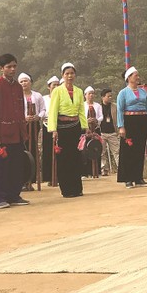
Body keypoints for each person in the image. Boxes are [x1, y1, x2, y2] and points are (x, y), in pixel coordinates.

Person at [0, 54, 28, 208]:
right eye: (9, 66)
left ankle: (13, 195)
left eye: (14, 66)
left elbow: (21, 109)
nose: (12, 69)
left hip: (16, 133)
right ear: (1, 68)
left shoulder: (17, 86)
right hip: (1, 134)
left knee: (15, 165)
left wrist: (24, 131)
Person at [47, 63, 89, 198]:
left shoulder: (79, 91)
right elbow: (53, 110)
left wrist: (85, 126)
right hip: (62, 128)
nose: (70, 76)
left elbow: (81, 110)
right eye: (67, 74)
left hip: (75, 127)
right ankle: (67, 189)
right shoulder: (57, 91)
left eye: (72, 73)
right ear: (62, 76)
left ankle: (77, 188)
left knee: (76, 157)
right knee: (64, 159)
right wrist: (53, 129)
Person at [116, 67, 147, 188]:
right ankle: (128, 178)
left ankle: (138, 178)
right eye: (135, 75)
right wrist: (121, 126)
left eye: (138, 75)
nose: (138, 77)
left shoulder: (143, 92)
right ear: (129, 78)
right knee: (128, 150)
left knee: (139, 149)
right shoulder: (123, 93)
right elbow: (120, 110)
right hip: (129, 121)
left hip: (142, 121)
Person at [19, 73, 46, 190]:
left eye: (26, 81)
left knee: (34, 150)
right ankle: (23, 179)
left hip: (34, 125)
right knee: (23, 151)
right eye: (21, 81)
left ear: (30, 82)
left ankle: (33, 179)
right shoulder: (17, 96)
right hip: (22, 126)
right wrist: (24, 117)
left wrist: (38, 116)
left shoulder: (38, 95)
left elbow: (43, 110)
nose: (24, 83)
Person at [41, 76, 60, 183]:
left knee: (60, 150)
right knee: (48, 150)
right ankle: (49, 176)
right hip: (47, 126)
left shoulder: (62, 96)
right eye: (54, 85)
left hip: (60, 125)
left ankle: (60, 175)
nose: (56, 87)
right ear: (49, 87)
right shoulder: (44, 99)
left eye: (58, 85)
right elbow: (42, 111)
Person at [83, 86, 103, 177]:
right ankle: (86, 172)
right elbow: (80, 116)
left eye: (92, 93)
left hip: (95, 128)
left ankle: (97, 171)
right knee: (85, 149)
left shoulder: (97, 105)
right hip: (85, 129)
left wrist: (96, 120)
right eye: (89, 94)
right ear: (85, 95)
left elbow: (101, 116)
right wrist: (86, 121)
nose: (91, 95)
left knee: (96, 148)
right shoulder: (82, 105)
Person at [99, 89, 120, 176]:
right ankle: (104, 169)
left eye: (111, 96)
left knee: (117, 151)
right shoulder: (98, 107)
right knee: (102, 152)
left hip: (113, 132)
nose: (110, 98)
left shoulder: (115, 106)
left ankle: (120, 168)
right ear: (103, 97)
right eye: (108, 96)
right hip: (102, 133)